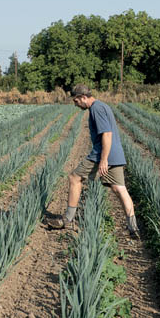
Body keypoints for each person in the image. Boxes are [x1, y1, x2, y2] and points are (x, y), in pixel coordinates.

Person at [51, 84, 140, 239]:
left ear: (83, 97)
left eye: (76, 101)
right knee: (119, 189)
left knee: (74, 177)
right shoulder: (103, 106)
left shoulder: (96, 109)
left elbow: (106, 134)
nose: (76, 105)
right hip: (116, 153)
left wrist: (104, 160)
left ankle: (68, 219)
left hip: (102, 154)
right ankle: (133, 228)